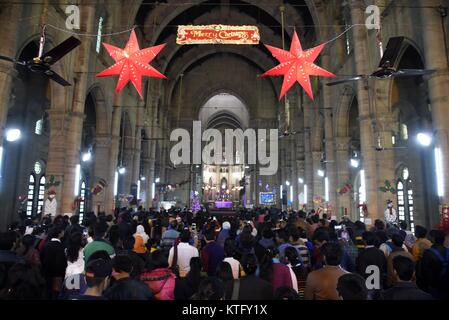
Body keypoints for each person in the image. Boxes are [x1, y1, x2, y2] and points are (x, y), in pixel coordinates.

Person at [418, 230, 449, 299]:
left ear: (433, 239)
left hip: (434, 286)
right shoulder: (448, 251)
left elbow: (423, 272)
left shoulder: (428, 253)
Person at [40, 226, 67, 299]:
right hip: (58, 275)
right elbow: (62, 262)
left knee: (47, 292)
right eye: (62, 231)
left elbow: (41, 257)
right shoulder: (61, 246)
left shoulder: (46, 244)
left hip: (46, 273)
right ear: (59, 234)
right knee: (56, 294)